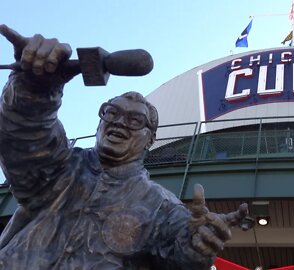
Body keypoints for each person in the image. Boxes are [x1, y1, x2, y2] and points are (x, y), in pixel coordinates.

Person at [0, 24, 247, 270]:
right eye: (112, 113)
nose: (119, 122)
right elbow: (25, 134)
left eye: (135, 120)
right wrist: (34, 89)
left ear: (150, 139)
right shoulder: (60, 166)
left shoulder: (162, 207)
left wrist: (196, 248)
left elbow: (180, 256)